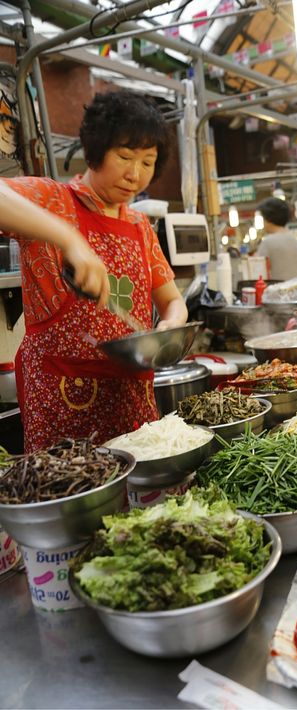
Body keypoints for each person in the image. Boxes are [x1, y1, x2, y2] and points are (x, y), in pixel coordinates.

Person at [0, 90, 187, 452]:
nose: (135, 174)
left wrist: (170, 327)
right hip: (62, 407)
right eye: (125, 156)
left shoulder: (140, 225)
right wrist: (67, 237)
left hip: (132, 401)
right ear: (96, 149)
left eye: (148, 162)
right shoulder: (52, 200)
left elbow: (172, 301)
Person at [256, 197, 297, 281]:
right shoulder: (296, 241)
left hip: (277, 291)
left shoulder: (268, 242)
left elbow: (259, 274)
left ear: (268, 219)